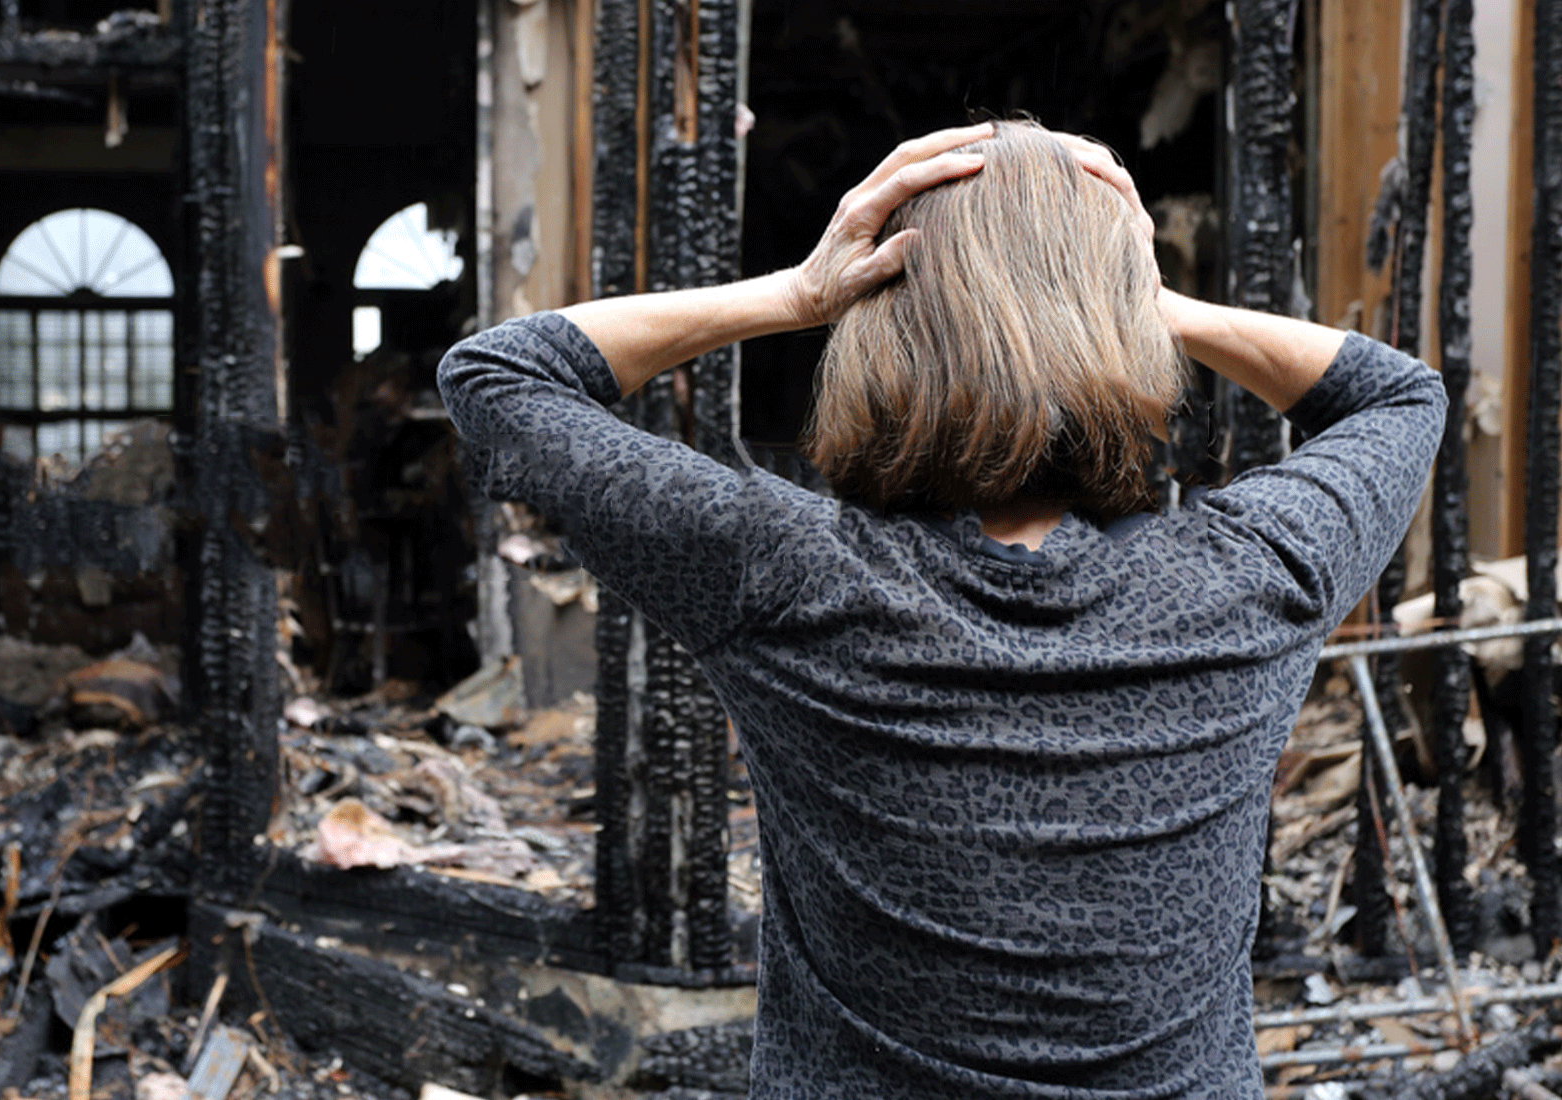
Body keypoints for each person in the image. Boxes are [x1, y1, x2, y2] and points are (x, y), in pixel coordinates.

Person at [437, 120, 1444, 1098]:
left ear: (879, 316)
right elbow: (1400, 397)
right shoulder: (1246, 581)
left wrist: (795, 292)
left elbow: (499, 374)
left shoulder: (791, 577)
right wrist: (1142, 300)